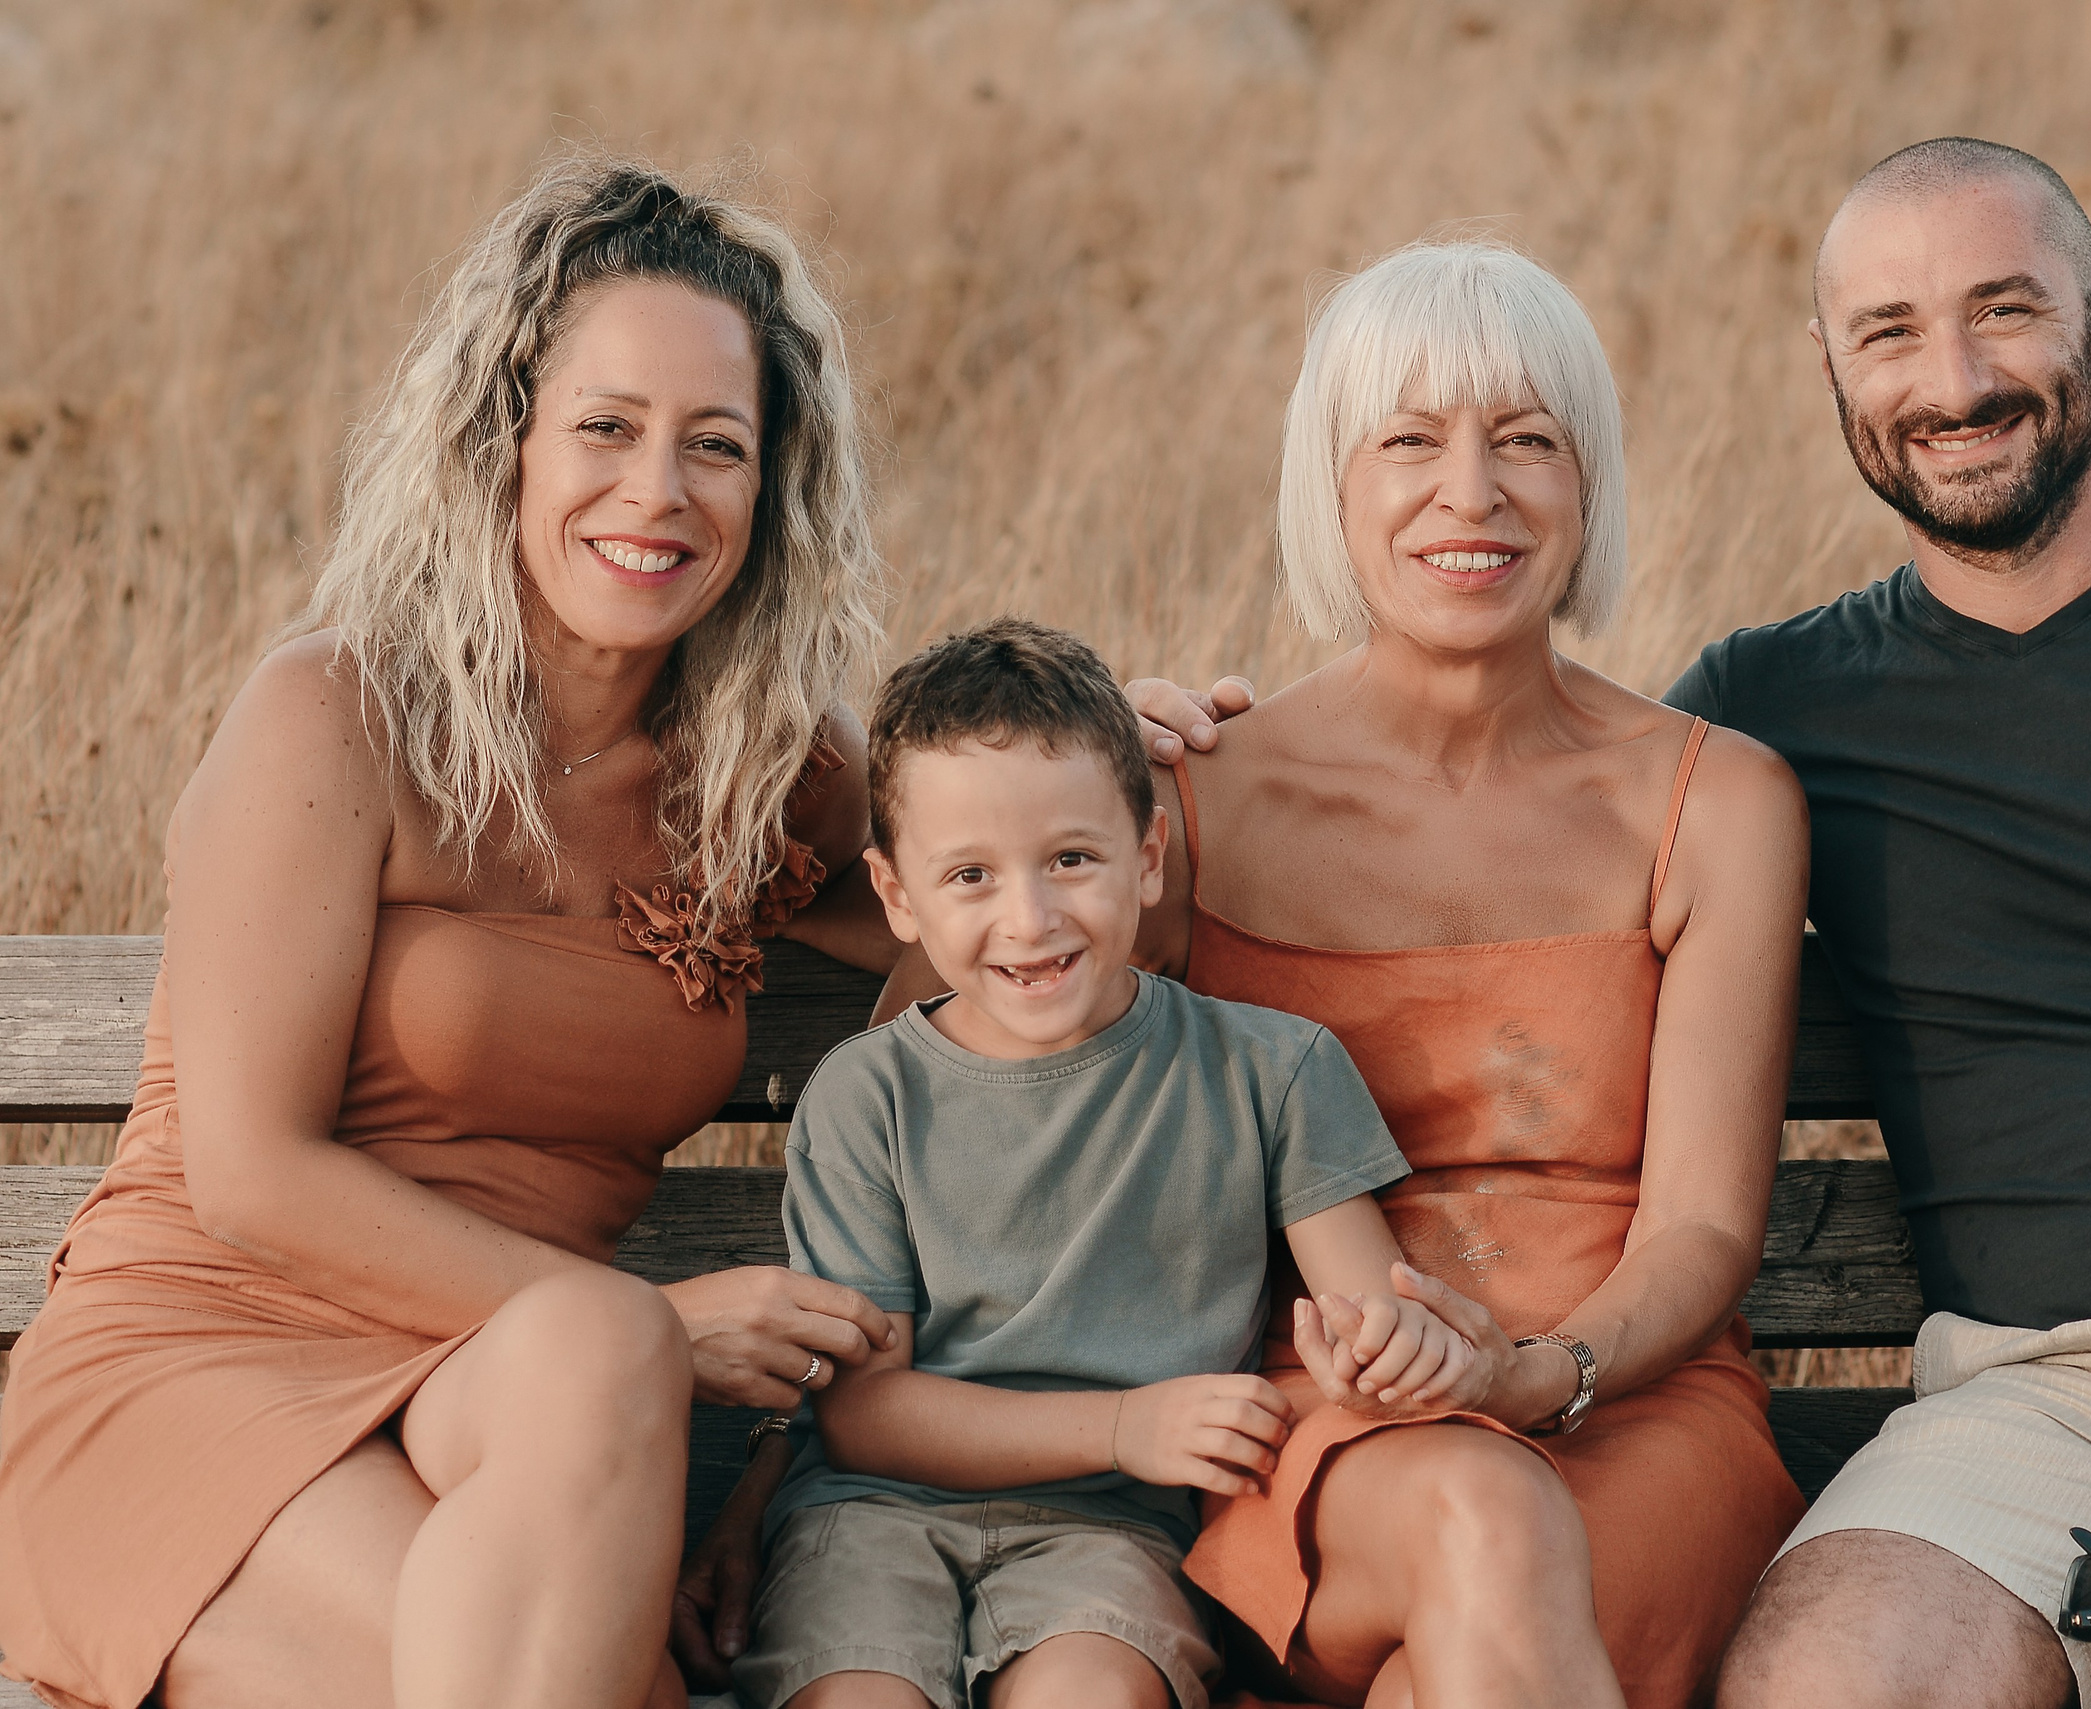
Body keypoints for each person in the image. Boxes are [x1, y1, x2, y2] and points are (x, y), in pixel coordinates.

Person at [1142, 138, 2091, 1708]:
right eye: (1890, 332)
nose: (1951, 380)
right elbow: (1502, 827)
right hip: (2043, 1393)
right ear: (1832, 366)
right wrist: (1107, 781)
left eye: (2004, 311)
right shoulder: (1776, 708)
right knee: (1823, 1681)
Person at [678, 240, 1812, 1708]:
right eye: (1409, 441)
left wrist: (1536, 1373)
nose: (1471, 491)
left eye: (1526, 440)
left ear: (1587, 479)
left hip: (1630, 1397)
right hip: (1327, 1410)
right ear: (1332, 489)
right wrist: (781, 1481)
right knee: (1479, 1516)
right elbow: (966, 1106)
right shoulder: (1199, 796)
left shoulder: (1717, 802)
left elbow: (1709, 1224)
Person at [0, 159, 906, 1709]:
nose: (657, 493)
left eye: (716, 445)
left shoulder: (762, 768)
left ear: (770, 490)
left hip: (519, 1407)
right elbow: (251, 1172)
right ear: (506, 441)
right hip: (201, 1360)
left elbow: (980, 912)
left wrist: (1124, 749)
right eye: (606, 429)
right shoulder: (337, 716)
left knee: (591, 1376)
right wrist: (661, 1318)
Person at [734, 617, 1480, 1709]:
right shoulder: (868, 1095)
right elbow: (863, 1412)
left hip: (1114, 1525)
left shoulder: (1269, 1070)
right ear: (898, 894)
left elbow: (1367, 1309)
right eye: (971, 874)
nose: (1028, 919)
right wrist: (1127, 1423)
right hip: (869, 1510)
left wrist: (1394, 1345)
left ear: (1147, 856)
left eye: (1071, 859)